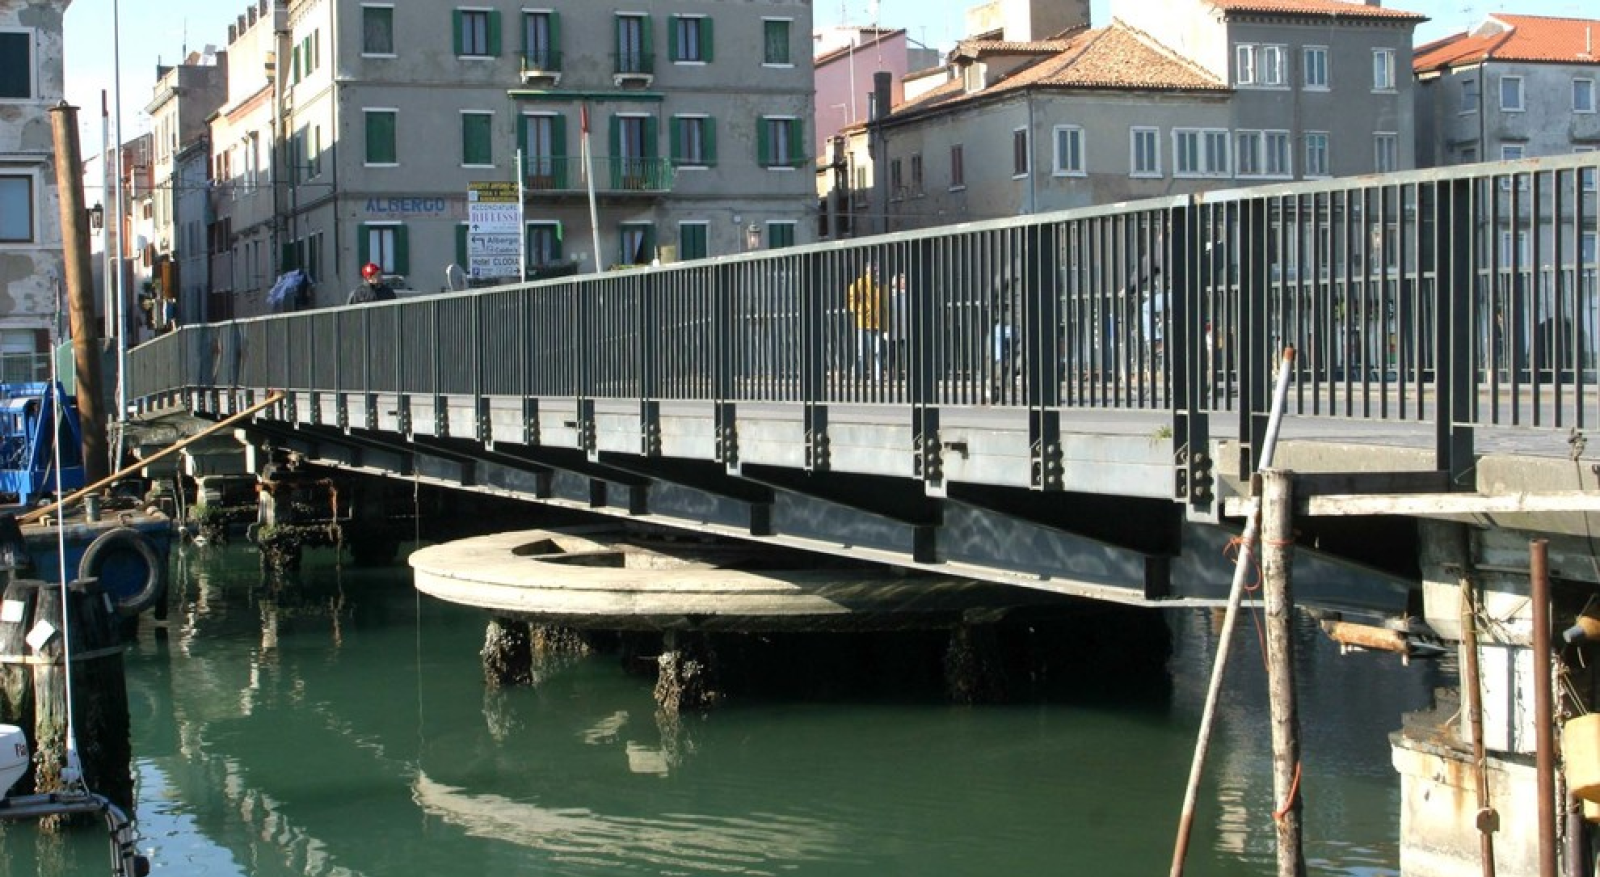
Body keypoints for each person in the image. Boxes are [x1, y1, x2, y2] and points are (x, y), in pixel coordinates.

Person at [847, 261, 885, 380]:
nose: (876, 272)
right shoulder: (860, 283)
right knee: (863, 351)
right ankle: (859, 374)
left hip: (877, 322)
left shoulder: (879, 284)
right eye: (874, 269)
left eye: (877, 269)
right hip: (864, 321)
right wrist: (859, 310)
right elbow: (851, 299)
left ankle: (877, 375)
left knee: (877, 350)